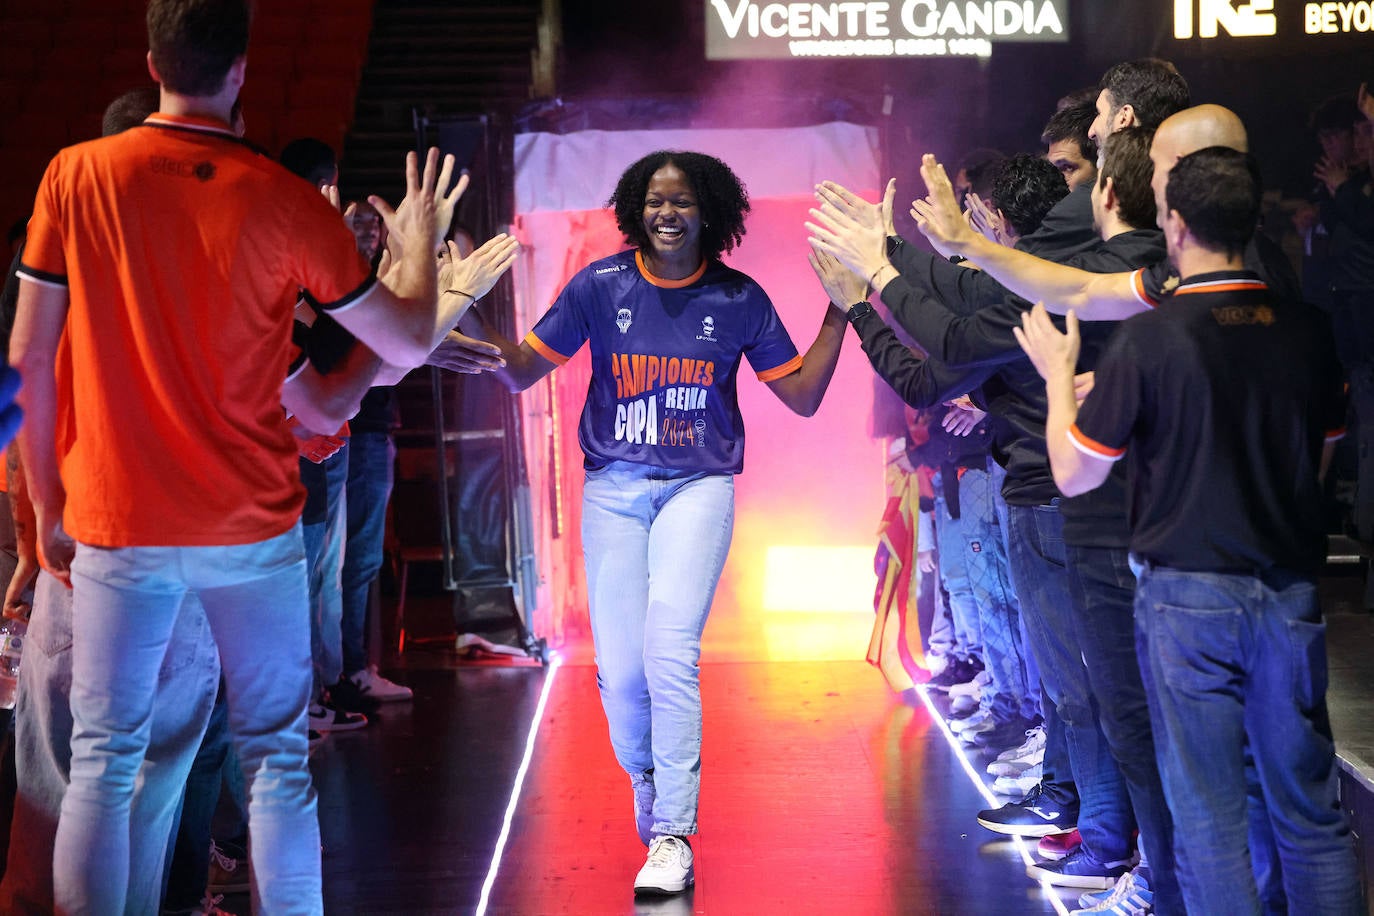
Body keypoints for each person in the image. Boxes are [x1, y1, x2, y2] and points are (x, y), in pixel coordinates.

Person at [8, 1, 517, 911]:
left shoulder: (74, 177)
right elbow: (395, 345)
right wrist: (415, 258)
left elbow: (26, 365)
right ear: (242, 69)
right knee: (277, 761)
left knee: (101, 762)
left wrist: (41, 508)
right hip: (248, 529)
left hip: (114, 527)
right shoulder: (281, 199)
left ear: (151, 55)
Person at [464, 150, 846, 896]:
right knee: (623, 673)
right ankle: (645, 776)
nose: (667, 215)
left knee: (670, 651)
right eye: (654, 202)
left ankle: (673, 833)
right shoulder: (598, 288)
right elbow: (517, 370)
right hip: (613, 489)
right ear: (636, 208)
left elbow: (800, 396)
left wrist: (843, 308)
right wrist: (464, 298)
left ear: (710, 213)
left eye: (682, 203)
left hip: (698, 487)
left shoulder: (738, 298)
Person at [1016, 146, 1361, 915]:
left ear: (1173, 225)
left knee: (1209, 813)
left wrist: (1056, 383)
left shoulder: (1151, 338)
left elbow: (1076, 474)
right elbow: (1321, 460)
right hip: (1289, 589)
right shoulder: (1307, 330)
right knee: (1310, 809)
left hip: (1187, 597)